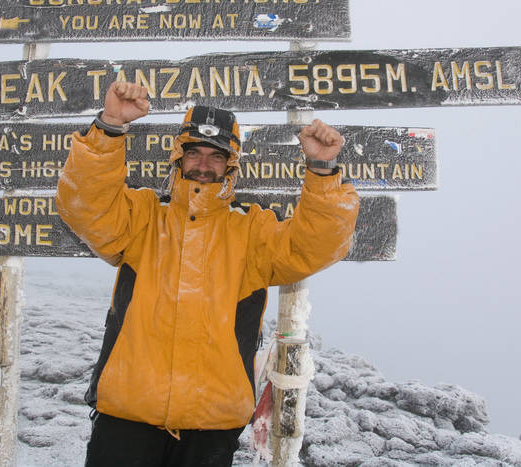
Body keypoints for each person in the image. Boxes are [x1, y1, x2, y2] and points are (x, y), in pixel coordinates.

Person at [56, 81, 359, 466]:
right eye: (194, 152)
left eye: (215, 156)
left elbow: (316, 246)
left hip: (211, 426)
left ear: (230, 163)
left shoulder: (252, 232)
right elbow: (84, 205)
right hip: (126, 417)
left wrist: (322, 169)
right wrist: (111, 126)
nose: (203, 164)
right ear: (178, 157)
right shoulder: (142, 218)